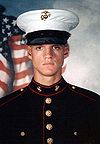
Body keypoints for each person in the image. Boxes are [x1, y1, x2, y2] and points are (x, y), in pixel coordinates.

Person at [0, 9, 100, 144]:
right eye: (39, 47)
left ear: (66, 51)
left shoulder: (93, 106)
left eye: (56, 47)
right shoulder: (5, 110)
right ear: (29, 53)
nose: (48, 55)